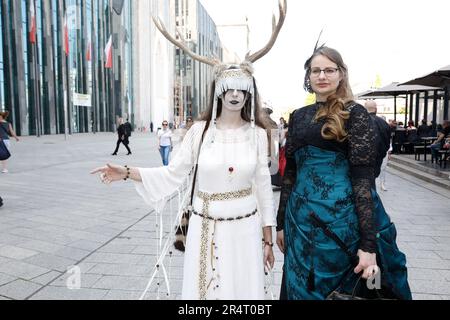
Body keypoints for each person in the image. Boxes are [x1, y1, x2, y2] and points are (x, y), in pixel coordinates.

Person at [91, 1, 286, 300]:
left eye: (241, 89)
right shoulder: (198, 131)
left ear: (249, 93)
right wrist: (127, 172)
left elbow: (263, 186)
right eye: (228, 88)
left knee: (245, 295)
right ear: (218, 91)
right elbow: (173, 174)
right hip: (204, 228)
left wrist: (268, 239)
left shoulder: (259, 135)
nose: (235, 94)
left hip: (245, 232)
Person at [276, 45, 411, 300]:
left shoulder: (355, 113)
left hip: (342, 224)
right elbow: (290, 173)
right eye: (316, 71)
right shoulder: (297, 116)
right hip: (300, 223)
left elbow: (363, 182)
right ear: (308, 77)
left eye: (329, 70)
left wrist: (368, 245)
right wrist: (281, 223)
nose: (322, 76)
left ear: (341, 74)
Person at [364, 100, 391, 191]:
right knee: (372, 179)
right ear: (376, 109)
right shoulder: (383, 123)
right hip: (378, 157)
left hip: (364, 158)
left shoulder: (361, 121)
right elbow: (387, 142)